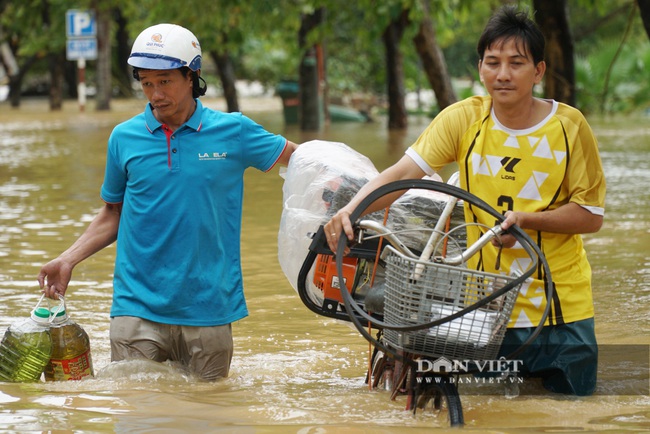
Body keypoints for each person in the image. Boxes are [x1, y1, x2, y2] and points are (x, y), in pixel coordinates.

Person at [324, 6, 605, 396]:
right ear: (480, 67)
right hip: (485, 308)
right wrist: (349, 212)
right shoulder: (463, 119)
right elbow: (403, 175)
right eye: (493, 62)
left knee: (571, 415)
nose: (502, 74)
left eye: (516, 63)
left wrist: (527, 220)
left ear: (539, 71)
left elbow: (590, 216)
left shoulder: (570, 127)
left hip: (564, 307)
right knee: (489, 415)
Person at [37, 23, 299, 381]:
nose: (155, 94)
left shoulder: (234, 131)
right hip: (136, 306)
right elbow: (113, 212)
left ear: (192, 76)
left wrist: (353, 194)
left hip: (209, 306)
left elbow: (302, 161)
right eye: (146, 83)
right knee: (139, 411)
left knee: (208, 411)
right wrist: (68, 259)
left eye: (164, 81)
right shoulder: (124, 138)